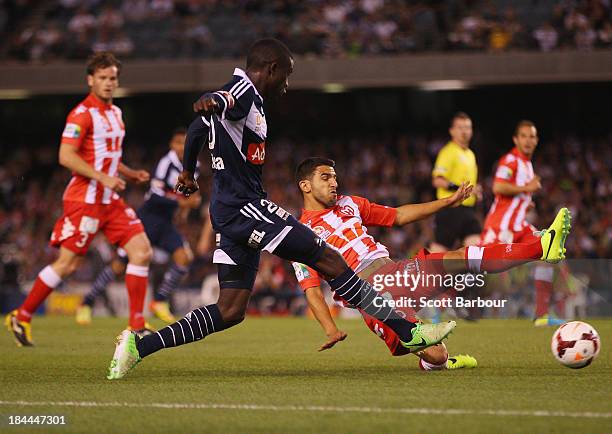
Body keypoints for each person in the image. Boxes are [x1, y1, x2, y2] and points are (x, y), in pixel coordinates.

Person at [107, 38, 456, 379]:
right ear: (271, 69)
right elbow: (220, 102)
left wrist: (187, 169)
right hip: (246, 208)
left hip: (229, 214)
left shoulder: (248, 99)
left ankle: (140, 347)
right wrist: (211, 99)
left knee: (229, 311)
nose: (286, 86)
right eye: (285, 76)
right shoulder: (245, 92)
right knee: (330, 258)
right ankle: (408, 331)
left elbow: (199, 127)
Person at [291, 158, 571, 370]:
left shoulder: (350, 204)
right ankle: (434, 363)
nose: (334, 183)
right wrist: (330, 329)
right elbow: (312, 289)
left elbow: (398, 215)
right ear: (305, 185)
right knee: (437, 355)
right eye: (325, 178)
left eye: (334, 177)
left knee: (461, 257)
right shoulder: (298, 236)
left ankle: (541, 246)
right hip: (371, 297)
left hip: (396, 273)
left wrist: (447, 202)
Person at [5, 52, 153, 347]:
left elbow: (106, 156)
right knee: (67, 265)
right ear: (90, 80)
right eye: (102, 78)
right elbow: (66, 156)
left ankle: (136, 326)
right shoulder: (81, 114)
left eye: (112, 78)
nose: (109, 83)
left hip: (109, 200)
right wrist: (103, 177)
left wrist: (128, 172)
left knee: (142, 251)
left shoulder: (116, 113)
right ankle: (21, 316)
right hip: (84, 200)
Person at [76, 128, 201, 325]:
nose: (182, 147)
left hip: (165, 222)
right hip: (148, 219)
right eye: (178, 143)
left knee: (184, 258)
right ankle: (87, 302)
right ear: (171, 145)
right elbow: (156, 195)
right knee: (119, 265)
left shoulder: (195, 166)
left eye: (185, 143)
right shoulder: (166, 164)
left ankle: (159, 301)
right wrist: (182, 204)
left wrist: (184, 211)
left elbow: (187, 193)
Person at [481, 120, 566, 326]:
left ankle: (541, 315)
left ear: (536, 140)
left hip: (520, 225)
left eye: (532, 136)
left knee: (547, 252)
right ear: (516, 139)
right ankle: (436, 308)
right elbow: (498, 187)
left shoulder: (527, 165)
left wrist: (525, 204)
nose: (528, 140)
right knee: (473, 267)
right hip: (501, 226)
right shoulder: (510, 160)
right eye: (524, 136)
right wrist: (526, 188)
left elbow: (513, 194)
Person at [431, 112, 482, 251]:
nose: (464, 131)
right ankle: (423, 272)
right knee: (438, 253)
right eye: (460, 127)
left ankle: (468, 273)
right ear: (452, 131)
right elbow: (437, 180)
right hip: (450, 208)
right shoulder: (448, 152)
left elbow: (468, 182)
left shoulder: (470, 154)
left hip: (468, 210)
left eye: (467, 127)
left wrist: (475, 190)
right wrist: (460, 188)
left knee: (476, 248)